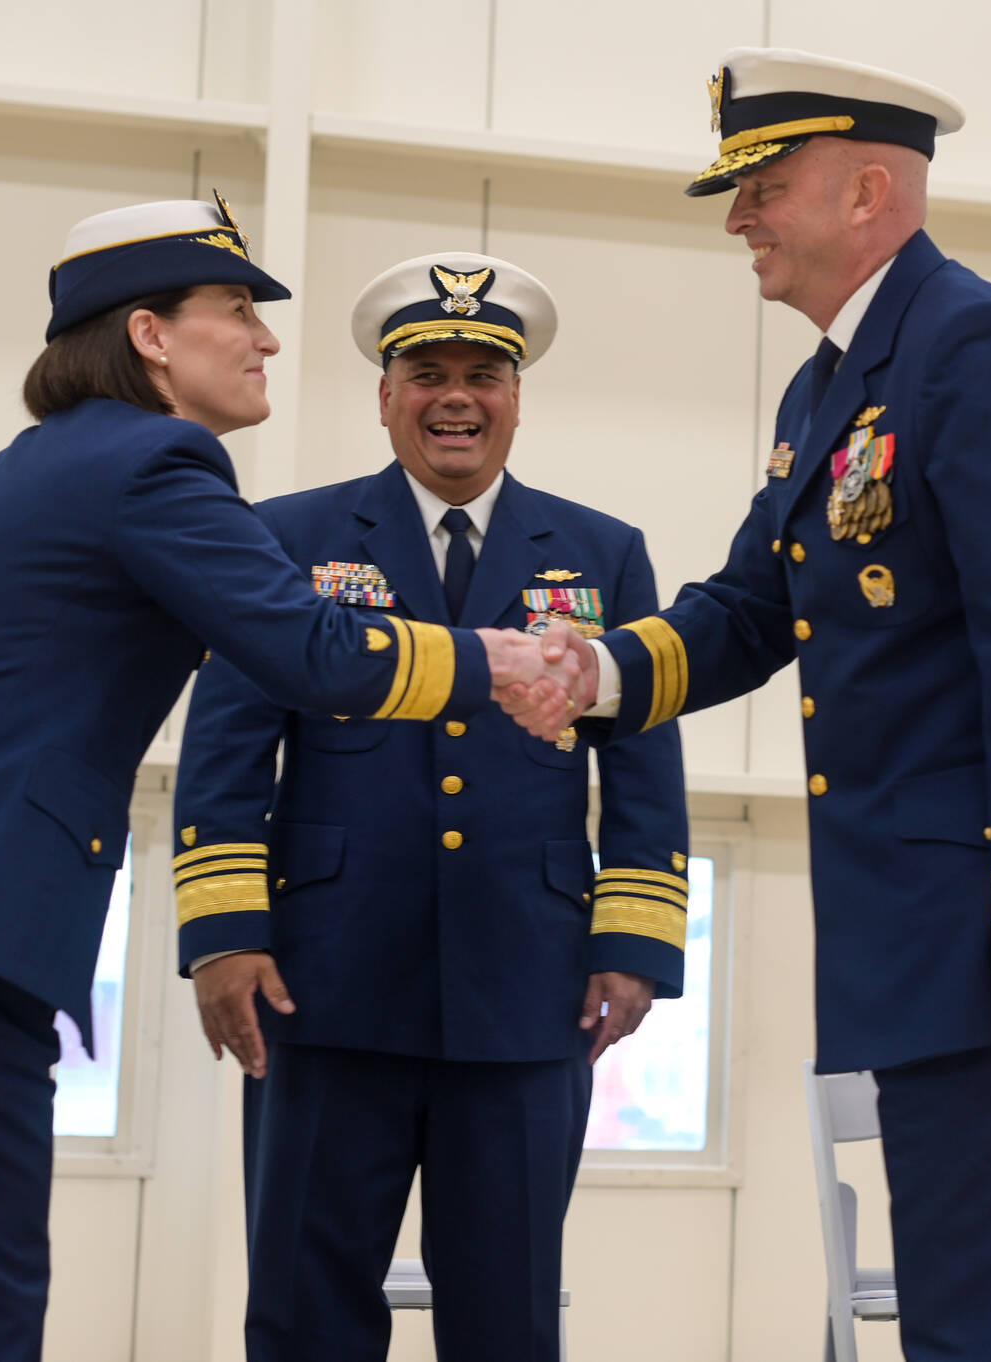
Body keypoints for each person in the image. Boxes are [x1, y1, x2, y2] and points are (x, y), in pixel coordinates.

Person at [0, 198, 583, 1362]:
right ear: (150, 334)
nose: (263, 340)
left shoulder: (9, 474)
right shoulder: (159, 461)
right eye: (239, 311)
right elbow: (307, 650)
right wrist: (487, 658)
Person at [536, 48, 991, 1362]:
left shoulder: (975, 348)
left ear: (869, 190)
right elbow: (752, 607)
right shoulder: (830, 384)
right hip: (925, 937)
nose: (738, 217)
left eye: (762, 184)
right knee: (967, 1308)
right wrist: (592, 672)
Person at [174, 252, 689, 1362]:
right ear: (384, 396)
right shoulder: (286, 539)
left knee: (506, 1316)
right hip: (319, 986)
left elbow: (643, 771)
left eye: (482, 374)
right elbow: (222, 757)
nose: (455, 395)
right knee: (305, 1308)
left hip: (525, 992)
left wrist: (634, 945)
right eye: (426, 371)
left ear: (515, 398)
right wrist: (223, 937)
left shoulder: (602, 555)